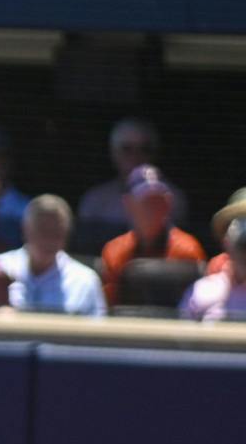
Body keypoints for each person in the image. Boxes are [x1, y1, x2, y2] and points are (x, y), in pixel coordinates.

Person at [0, 195, 105, 316]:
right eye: (42, 229)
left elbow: (99, 336)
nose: (49, 238)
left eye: (57, 231)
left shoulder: (85, 280)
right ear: (25, 230)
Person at [99, 165, 204, 305]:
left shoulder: (188, 249)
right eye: (146, 201)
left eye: (159, 200)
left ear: (168, 204)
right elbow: (109, 308)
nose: (154, 207)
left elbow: (196, 305)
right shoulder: (114, 251)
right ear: (129, 204)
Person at [76, 116, 183, 231]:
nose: (136, 156)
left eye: (145, 149)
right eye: (127, 149)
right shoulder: (94, 201)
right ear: (113, 153)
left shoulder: (173, 199)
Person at [180, 218, 246, 321]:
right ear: (227, 243)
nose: (244, 254)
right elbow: (180, 333)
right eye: (242, 245)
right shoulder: (202, 291)